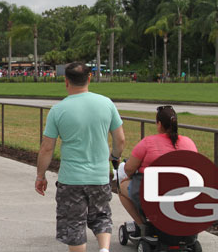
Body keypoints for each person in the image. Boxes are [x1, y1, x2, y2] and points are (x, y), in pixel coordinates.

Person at [35, 62, 125, 252]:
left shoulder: (58, 110)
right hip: (99, 176)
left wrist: (41, 175)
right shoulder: (106, 103)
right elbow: (120, 140)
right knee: (101, 216)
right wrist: (114, 157)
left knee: (74, 224)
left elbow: (46, 148)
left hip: (72, 179)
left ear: (65, 81)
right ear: (89, 78)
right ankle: (104, 249)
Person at [118, 105, 197, 232]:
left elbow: (129, 168)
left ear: (159, 124)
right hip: (182, 194)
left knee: (122, 188)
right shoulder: (189, 143)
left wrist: (130, 175)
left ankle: (142, 226)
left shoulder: (148, 143)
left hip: (153, 193)